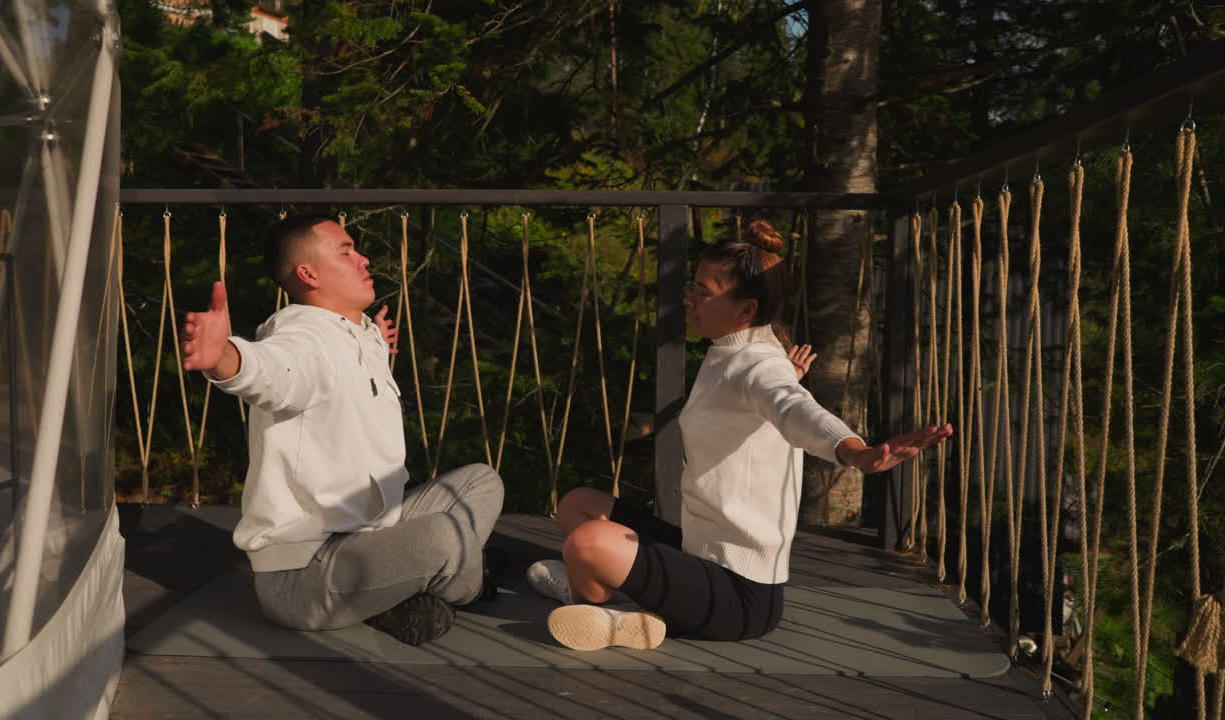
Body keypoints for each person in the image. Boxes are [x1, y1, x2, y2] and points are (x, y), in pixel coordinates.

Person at [525, 219, 953, 651]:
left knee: (586, 542)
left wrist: (856, 452)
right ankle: (625, 606)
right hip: (699, 551)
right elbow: (773, 391)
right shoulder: (739, 351)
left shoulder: (759, 366)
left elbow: (793, 406)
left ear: (746, 310)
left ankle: (596, 606)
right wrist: (789, 372)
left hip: (737, 597)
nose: (689, 300)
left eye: (703, 293)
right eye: (693, 287)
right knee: (578, 505)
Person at [181, 214, 504, 646]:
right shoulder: (302, 333)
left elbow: (347, 369)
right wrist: (225, 358)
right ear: (308, 273)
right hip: (306, 574)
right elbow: (276, 370)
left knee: (482, 482)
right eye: (347, 251)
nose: (364, 259)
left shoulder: (354, 332)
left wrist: (374, 343)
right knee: (448, 536)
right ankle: (465, 579)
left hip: (368, 534)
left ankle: (408, 589)